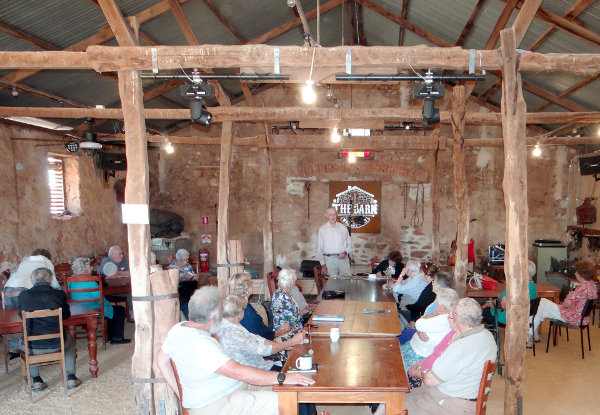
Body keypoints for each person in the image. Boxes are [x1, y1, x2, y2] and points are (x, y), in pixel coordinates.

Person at [156, 286, 315, 415]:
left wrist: (181, 395)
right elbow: (238, 371)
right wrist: (283, 377)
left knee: (294, 391)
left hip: (233, 387)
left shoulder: (178, 329)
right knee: (285, 402)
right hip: (218, 404)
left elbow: (161, 359)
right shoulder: (201, 344)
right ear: (212, 318)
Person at [376, 297, 497, 415]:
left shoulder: (460, 347)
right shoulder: (487, 336)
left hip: (449, 403)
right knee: (396, 397)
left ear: (458, 319)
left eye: (450, 316)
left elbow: (430, 380)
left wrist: (423, 373)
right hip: (465, 398)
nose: (448, 320)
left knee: (391, 403)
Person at [18, 268, 82, 391]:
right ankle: (71, 377)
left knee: (24, 343)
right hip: (56, 344)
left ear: (32, 281)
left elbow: (22, 316)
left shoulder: (23, 296)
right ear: (51, 279)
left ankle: (36, 381)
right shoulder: (59, 294)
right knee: (69, 340)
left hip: (32, 346)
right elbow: (66, 315)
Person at [219, 295, 305, 371]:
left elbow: (257, 338)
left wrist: (282, 344)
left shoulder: (233, 324)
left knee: (298, 365)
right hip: (253, 370)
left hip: (260, 364)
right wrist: (291, 342)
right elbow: (264, 350)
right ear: (238, 313)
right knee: (301, 369)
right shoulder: (231, 333)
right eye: (243, 309)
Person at [400, 288, 458, 387]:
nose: (435, 303)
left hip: (418, 354)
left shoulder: (442, 320)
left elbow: (418, 323)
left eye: (437, 302)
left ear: (442, 307)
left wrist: (432, 314)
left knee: (394, 365)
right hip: (415, 349)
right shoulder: (445, 317)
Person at [530, 260, 598, 345]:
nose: (575, 274)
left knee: (540, 303)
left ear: (581, 274)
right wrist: (571, 297)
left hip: (573, 317)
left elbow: (565, 304)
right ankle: (533, 335)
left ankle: (530, 335)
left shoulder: (582, 287)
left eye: (576, 272)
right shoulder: (592, 285)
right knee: (540, 307)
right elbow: (580, 303)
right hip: (582, 317)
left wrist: (569, 296)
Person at [69, 257, 131, 344]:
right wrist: (109, 304)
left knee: (112, 309)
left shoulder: (69, 282)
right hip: (94, 310)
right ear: (85, 269)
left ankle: (110, 336)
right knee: (119, 310)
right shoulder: (92, 281)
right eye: (89, 267)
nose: (91, 268)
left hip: (78, 311)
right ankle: (117, 338)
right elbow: (100, 300)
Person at [230, 272, 291, 340]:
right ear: (248, 289)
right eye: (251, 284)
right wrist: (280, 332)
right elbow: (259, 335)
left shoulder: (239, 304)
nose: (252, 285)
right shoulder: (246, 310)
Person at [482, 260, 537, 328]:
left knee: (477, 313)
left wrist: (489, 304)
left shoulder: (520, 287)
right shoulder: (532, 286)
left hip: (504, 316)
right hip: (520, 317)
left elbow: (502, 305)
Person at [317, 207, 353, 277]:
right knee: (331, 284)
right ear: (327, 215)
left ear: (336, 215)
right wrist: (323, 264)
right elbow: (320, 249)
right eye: (330, 215)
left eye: (334, 215)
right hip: (330, 261)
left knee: (347, 282)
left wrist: (345, 252)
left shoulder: (343, 228)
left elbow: (350, 245)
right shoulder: (322, 229)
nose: (333, 217)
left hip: (344, 260)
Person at [272, 269, 304, 341]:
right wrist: (304, 313)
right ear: (291, 283)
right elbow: (293, 319)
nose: (295, 283)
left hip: (293, 328)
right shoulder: (282, 297)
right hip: (286, 331)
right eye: (294, 281)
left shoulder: (284, 293)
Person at [169, 248, 198, 319]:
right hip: (179, 289)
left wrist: (195, 277)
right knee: (183, 302)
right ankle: (189, 318)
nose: (186, 261)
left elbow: (193, 275)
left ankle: (196, 317)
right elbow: (171, 280)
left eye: (187, 259)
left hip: (190, 287)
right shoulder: (173, 267)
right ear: (178, 259)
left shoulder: (189, 266)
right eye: (183, 260)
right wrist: (181, 278)